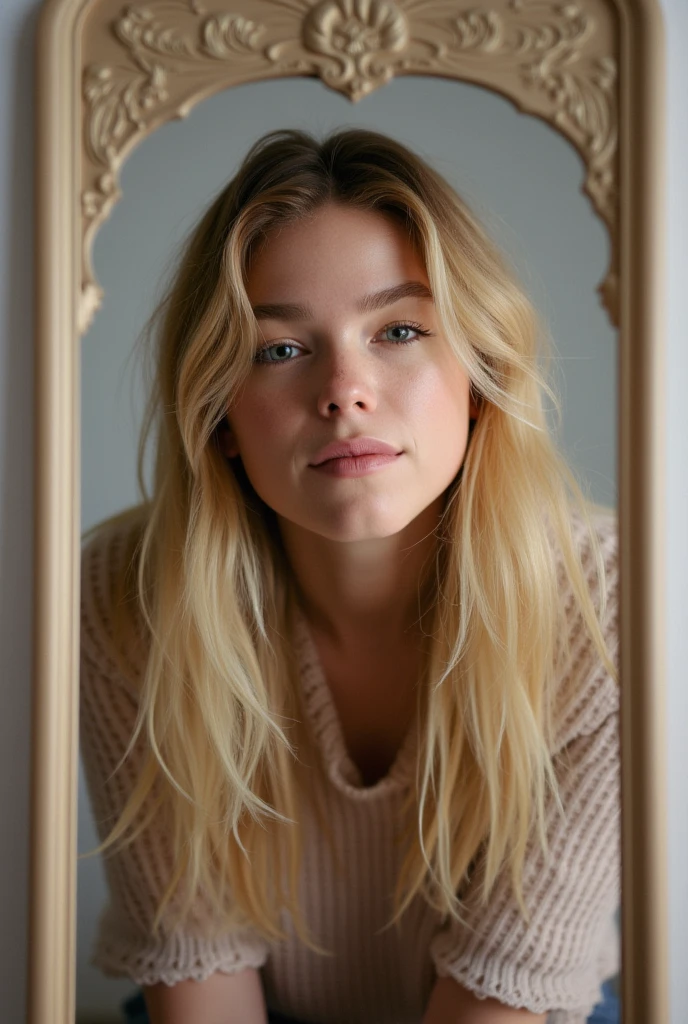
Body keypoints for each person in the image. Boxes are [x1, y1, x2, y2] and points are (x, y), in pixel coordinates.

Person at [79, 128, 621, 1024]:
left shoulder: (606, 604)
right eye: (281, 350)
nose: (345, 390)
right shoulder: (123, 599)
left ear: (481, 377)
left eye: (400, 330)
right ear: (217, 414)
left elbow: (504, 996)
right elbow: (201, 983)